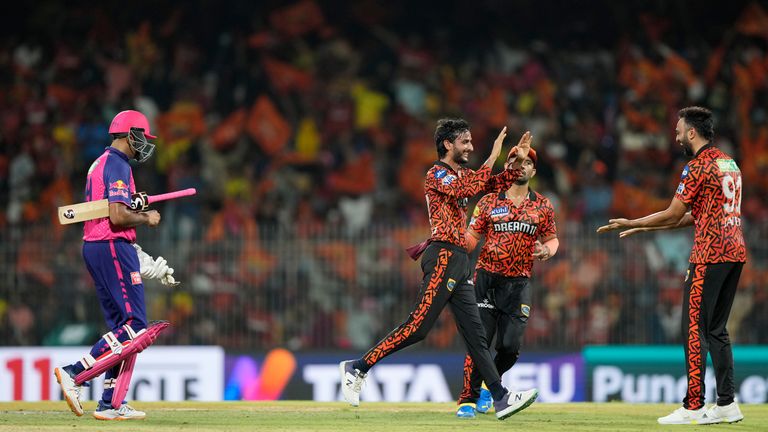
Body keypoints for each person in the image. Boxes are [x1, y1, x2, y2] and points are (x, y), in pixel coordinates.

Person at [339, 118, 539, 420]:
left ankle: (500, 398)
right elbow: (469, 186)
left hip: (459, 260)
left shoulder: (459, 173)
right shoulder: (437, 174)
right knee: (418, 327)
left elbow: (490, 183)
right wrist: (494, 154)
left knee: (476, 336)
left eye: (472, 142)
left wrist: (514, 165)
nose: (471, 146)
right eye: (465, 141)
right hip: (443, 255)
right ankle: (358, 367)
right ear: (448, 144)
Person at [597, 106, 746, 425]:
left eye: (679, 129)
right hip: (734, 251)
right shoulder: (728, 162)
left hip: (709, 254)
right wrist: (646, 228)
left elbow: (673, 212)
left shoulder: (697, 166)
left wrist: (635, 221)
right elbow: (700, 215)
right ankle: (726, 404)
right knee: (717, 329)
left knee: (693, 328)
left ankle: (693, 406)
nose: (676, 134)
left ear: (692, 132)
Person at [54, 110, 177, 421]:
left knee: (123, 332)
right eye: (142, 137)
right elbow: (118, 217)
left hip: (97, 245)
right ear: (129, 134)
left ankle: (111, 403)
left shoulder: (101, 162)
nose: (145, 144)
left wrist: (134, 203)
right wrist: (145, 217)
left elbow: (115, 207)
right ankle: (74, 373)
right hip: (110, 245)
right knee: (136, 327)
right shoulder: (118, 164)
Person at [455, 147, 558, 418]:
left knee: (511, 348)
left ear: (534, 171)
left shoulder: (543, 205)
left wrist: (547, 251)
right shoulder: (488, 202)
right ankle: (467, 399)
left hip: (519, 284)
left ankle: (492, 385)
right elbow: (470, 239)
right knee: (479, 341)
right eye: (515, 161)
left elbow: (552, 239)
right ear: (508, 165)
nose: (521, 166)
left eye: (527, 162)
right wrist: (450, 242)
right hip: (486, 280)